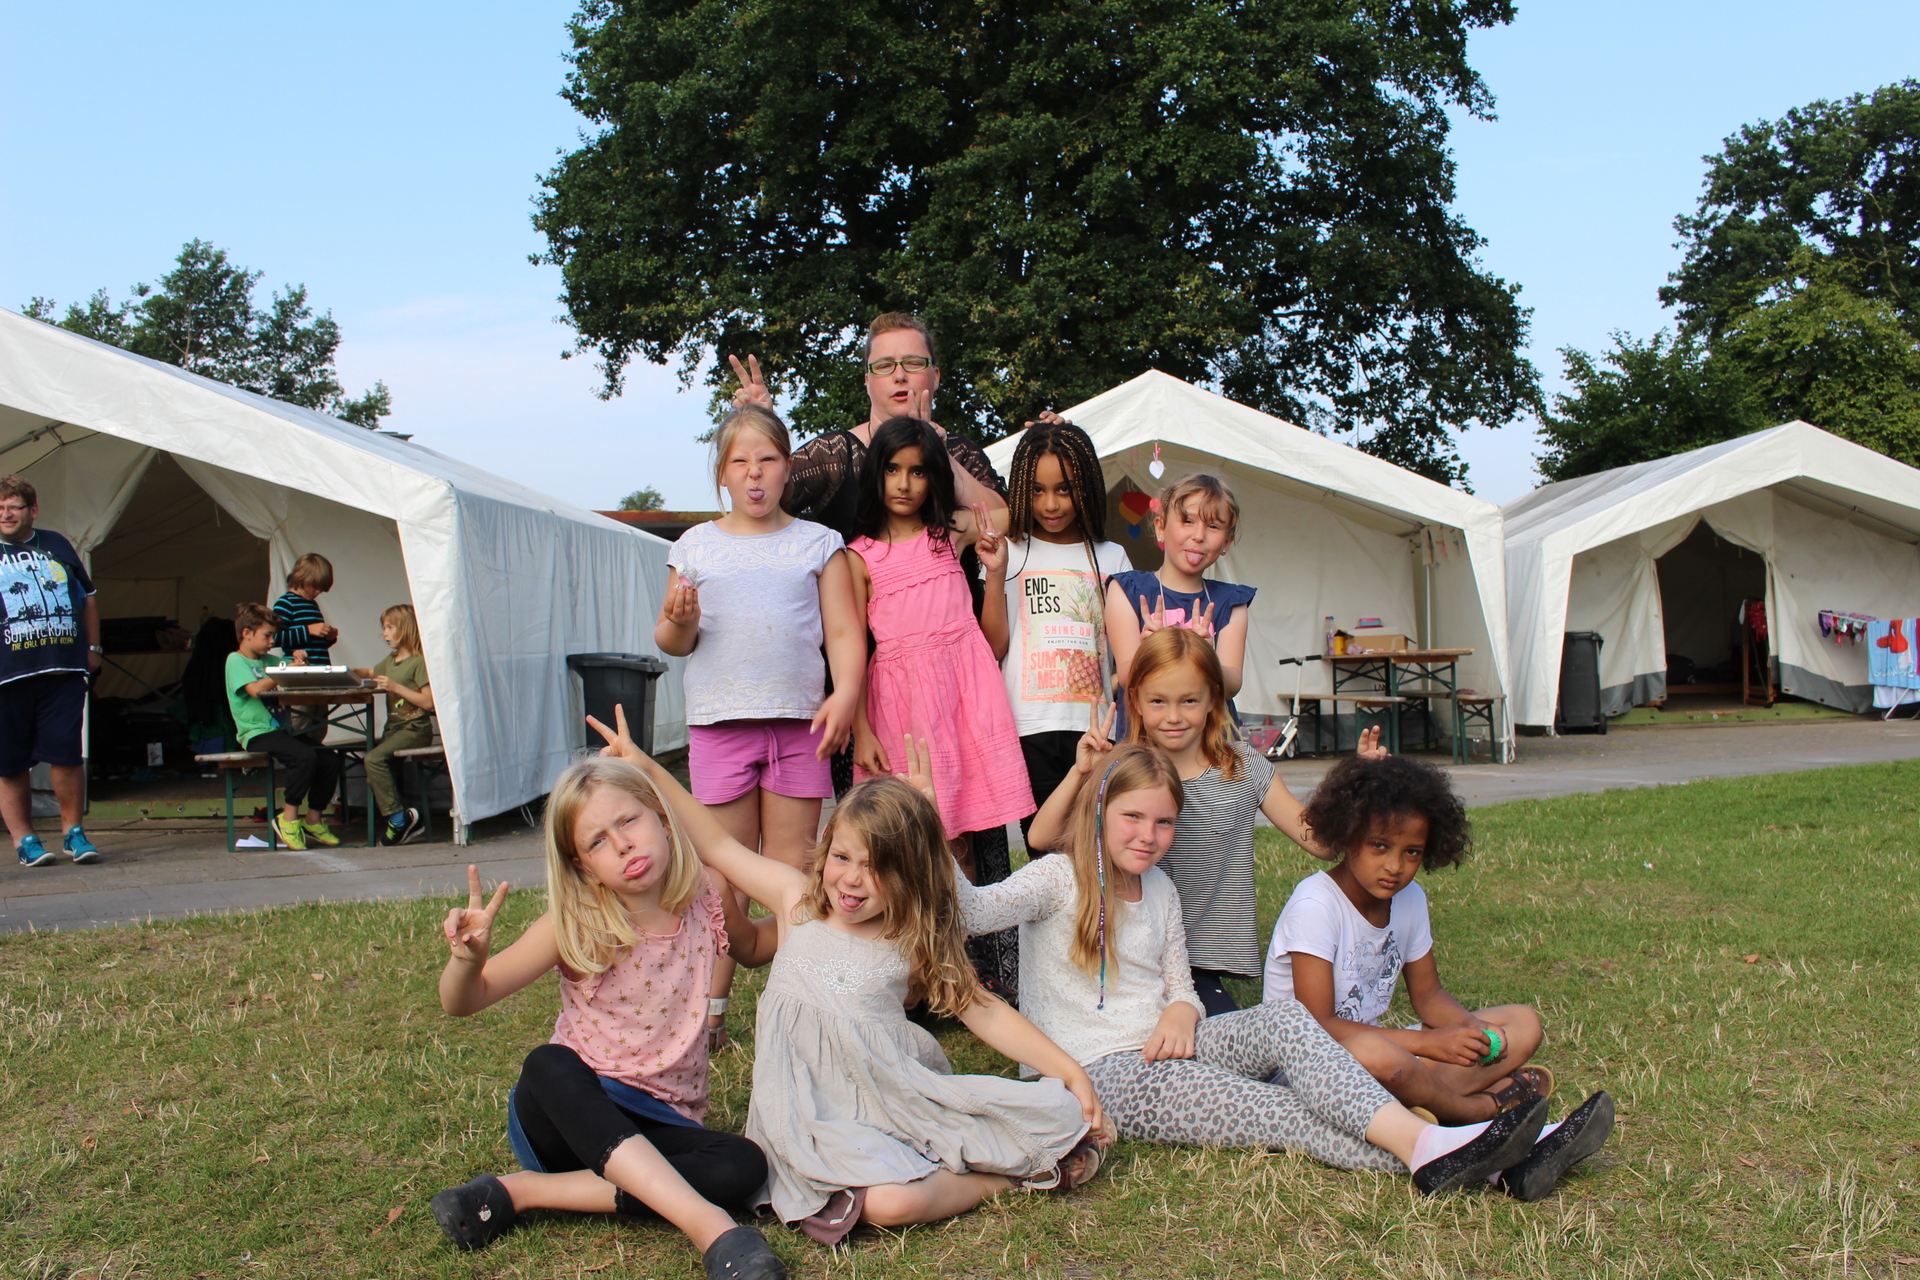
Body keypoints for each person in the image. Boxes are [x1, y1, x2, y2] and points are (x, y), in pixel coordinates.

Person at [956, 739, 1615, 1201]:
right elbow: (973, 912)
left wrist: (1183, 1008)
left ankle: (1476, 1148)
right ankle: (1484, 1154)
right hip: (1101, 1073)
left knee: (1288, 1019)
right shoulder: (1055, 879)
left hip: (1174, 1043)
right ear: (1100, 808)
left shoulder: (1160, 890)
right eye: (1133, 817)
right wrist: (933, 830)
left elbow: (1181, 986)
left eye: (1164, 823)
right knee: (1283, 1112)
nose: (1148, 836)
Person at [592, 708, 1108, 1245]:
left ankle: (1005, 1176)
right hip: (802, 1114)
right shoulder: (796, 902)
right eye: (842, 857)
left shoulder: (907, 937)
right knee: (889, 1203)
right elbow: (718, 844)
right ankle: (995, 1176)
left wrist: (1068, 1070)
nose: (853, 880)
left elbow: (982, 1009)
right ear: (826, 846)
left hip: (888, 1097)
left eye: (878, 868)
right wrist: (646, 767)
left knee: (1005, 1138)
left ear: (909, 876)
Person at [427, 757, 787, 1280]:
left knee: (744, 1164)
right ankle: (712, 1228)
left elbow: (752, 945)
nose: (622, 845)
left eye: (628, 821)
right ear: (583, 867)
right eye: (597, 841)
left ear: (662, 817)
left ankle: (522, 1192)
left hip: (664, 1122)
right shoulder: (575, 923)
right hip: (573, 1119)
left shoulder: (707, 894)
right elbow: (463, 1001)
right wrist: (467, 962)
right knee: (547, 1065)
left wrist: (820, 911)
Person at [1029, 627, 1381, 1015]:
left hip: (1199, 963)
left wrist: (1360, 785)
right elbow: (1041, 837)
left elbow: (1322, 843)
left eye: (1189, 700)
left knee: (1212, 1033)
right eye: (1158, 701)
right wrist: (1081, 772)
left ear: (1214, 698)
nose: (1173, 716)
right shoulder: (1122, 767)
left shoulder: (1243, 768)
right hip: (1126, 953)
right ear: (1136, 700)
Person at [656, 404, 863, 1049]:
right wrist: (681, 622)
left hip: (800, 727)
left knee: (794, 872)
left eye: (768, 459)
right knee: (722, 876)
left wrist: (846, 694)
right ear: (722, 473)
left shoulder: (818, 543)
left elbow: (844, 632)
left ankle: (793, 1009)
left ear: (787, 468)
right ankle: (709, 1012)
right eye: (740, 461)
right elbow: (671, 640)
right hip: (719, 728)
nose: (754, 473)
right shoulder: (695, 546)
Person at [1266, 755, 1555, 1127]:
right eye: (1379, 846)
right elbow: (1318, 1025)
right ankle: (1478, 1109)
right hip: (1307, 1065)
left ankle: (1422, 1104)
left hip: (1383, 1056)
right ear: (1348, 835)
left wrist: (1469, 1028)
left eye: (1412, 852)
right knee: (1382, 1056)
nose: (1395, 867)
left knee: (1523, 1023)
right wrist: (1427, 1044)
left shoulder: (1411, 898)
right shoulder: (1315, 905)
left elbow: (1429, 996)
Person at [847, 417, 1031, 883]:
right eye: (892, 469)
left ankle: (961, 929)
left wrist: (943, 451)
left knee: (961, 841)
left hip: (963, 700)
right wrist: (860, 730)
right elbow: (851, 651)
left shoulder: (949, 532)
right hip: (902, 711)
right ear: (875, 472)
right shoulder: (858, 556)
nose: (904, 484)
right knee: (910, 839)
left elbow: (1014, 516)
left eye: (919, 470)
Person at [978, 421, 1130, 851]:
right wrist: (995, 574)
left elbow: (1125, 652)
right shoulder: (1009, 549)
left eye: (1065, 489)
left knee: (1097, 850)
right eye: (1037, 490)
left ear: (1088, 487)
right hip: (1028, 731)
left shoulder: (1112, 557)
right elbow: (995, 647)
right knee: (1044, 850)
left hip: (1096, 732)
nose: (1050, 504)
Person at [0, 474, 104, 867]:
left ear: (33, 510)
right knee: (10, 762)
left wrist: (93, 648)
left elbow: (89, 596)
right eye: (0, 508)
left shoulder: (56, 543)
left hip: (62, 671)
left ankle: (74, 833)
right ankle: (24, 841)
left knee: (67, 754)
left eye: (14, 507)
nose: (6, 514)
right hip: (7, 676)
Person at [1105, 473, 1254, 732]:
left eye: (1213, 526)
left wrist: (1208, 659)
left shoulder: (1232, 602)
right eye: (1188, 521)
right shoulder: (1126, 590)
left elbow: (1232, 684)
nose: (1199, 535)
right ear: (1161, 527)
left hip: (1210, 745)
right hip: (1146, 746)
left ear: (1227, 541)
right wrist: (1148, 651)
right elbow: (1128, 676)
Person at [226, 603, 342, 850]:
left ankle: (313, 819)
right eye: (267, 636)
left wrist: (299, 660)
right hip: (256, 733)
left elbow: (291, 667)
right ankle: (288, 818)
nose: (272, 642)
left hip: (281, 731)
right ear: (246, 633)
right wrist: (286, 670)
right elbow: (255, 690)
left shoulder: (269, 660)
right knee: (304, 757)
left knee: (329, 759)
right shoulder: (235, 660)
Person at [348, 604, 433, 846]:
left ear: (405, 628)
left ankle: (398, 819)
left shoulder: (418, 662)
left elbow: (428, 702)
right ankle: (407, 816)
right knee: (376, 775)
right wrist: (349, 671)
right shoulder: (391, 661)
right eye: (383, 627)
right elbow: (370, 672)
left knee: (373, 760)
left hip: (414, 729)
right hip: (393, 730)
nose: (383, 633)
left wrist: (396, 688)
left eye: (389, 627)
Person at [274, 553, 339, 740]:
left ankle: (316, 755)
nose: (318, 591)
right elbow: (276, 637)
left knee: (319, 727)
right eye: (315, 586)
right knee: (299, 725)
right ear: (300, 578)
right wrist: (308, 630)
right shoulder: (285, 603)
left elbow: (313, 641)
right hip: (299, 679)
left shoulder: (312, 604)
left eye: (321, 588)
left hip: (319, 677)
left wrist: (328, 638)